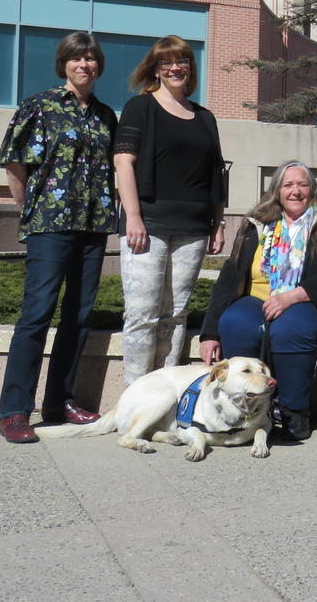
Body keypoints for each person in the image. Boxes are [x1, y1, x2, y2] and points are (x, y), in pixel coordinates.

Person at [0, 32, 117, 443]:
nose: (84, 65)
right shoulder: (41, 105)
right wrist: (28, 210)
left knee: (78, 318)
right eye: (77, 59)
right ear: (64, 63)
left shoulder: (105, 115)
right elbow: (14, 162)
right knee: (36, 315)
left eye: (91, 59)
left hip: (94, 225)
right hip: (50, 225)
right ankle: (15, 410)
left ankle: (59, 400)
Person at [200, 161, 317, 441]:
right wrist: (209, 332)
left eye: (302, 184)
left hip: (309, 302)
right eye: (288, 185)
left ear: (312, 190)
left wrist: (293, 296)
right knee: (236, 322)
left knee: (291, 327)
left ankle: (292, 410)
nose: (295, 191)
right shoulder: (256, 225)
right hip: (258, 298)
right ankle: (244, 411)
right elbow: (230, 277)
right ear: (276, 191)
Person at [114, 36, 226, 385]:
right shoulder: (140, 107)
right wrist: (133, 217)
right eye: (167, 63)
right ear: (157, 69)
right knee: (142, 314)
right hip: (148, 224)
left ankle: (165, 395)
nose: (175, 68)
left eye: (182, 62)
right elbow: (123, 162)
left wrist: (217, 223)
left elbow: (215, 174)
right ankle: (136, 396)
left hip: (193, 228)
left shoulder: (204, 117)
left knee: (176, 316)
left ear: (190, 68)